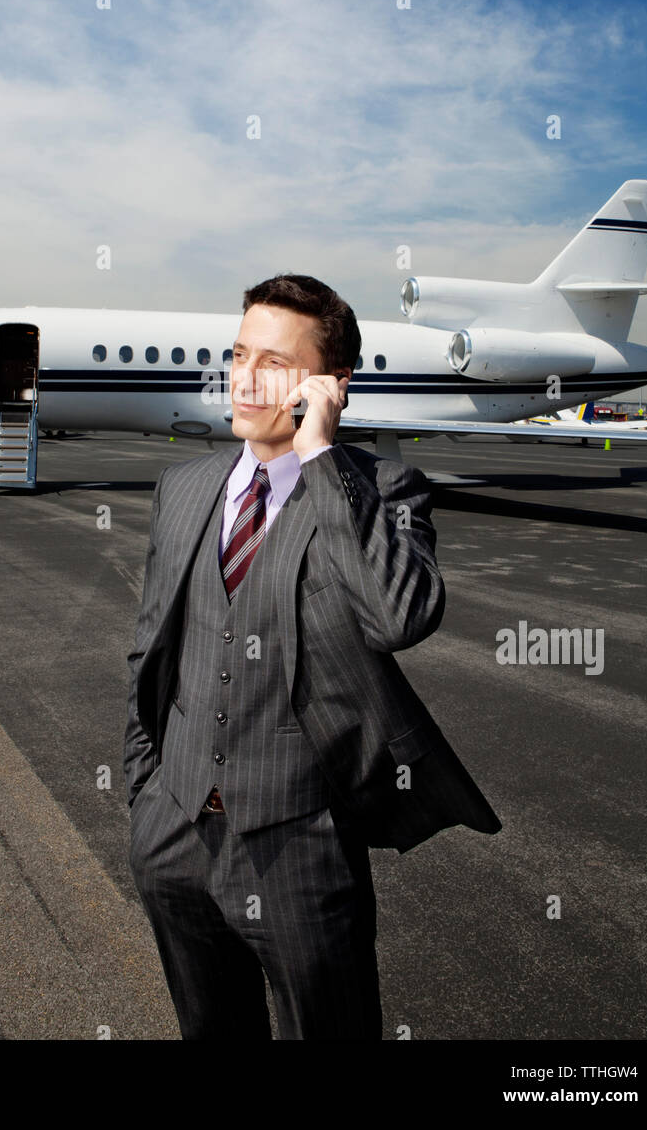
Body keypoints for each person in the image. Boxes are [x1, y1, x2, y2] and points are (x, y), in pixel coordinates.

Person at [124, 273, 501, 1040]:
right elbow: (149, 648)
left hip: (300, 846)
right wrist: (147, 796)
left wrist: (323, 457)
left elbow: (399, 616)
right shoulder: (184, 488)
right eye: (238, 354)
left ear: (331, 386)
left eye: (274, 363)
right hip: (174, 836)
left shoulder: (385, 489)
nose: (245, 378)